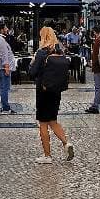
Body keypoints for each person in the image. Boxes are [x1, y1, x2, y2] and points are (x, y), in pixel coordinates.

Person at [28, 26, 74, 164]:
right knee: (53, 121)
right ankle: (66, 143)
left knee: (43, 123)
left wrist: (32, 63)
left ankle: (47, 155)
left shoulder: (42, 52)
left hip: (43, 92)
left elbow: (32, 73)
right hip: (56, 91)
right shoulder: (60, 51)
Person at [85, 25, 100, 113]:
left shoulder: (99, 40)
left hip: (99, 67)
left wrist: (94, 64)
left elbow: (99, 55)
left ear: (95, 32)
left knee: (99, 87)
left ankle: (95, 106)